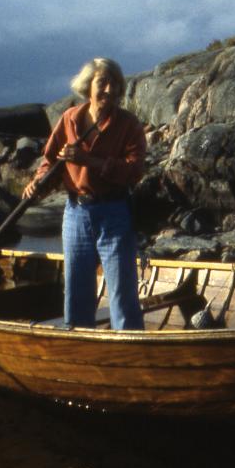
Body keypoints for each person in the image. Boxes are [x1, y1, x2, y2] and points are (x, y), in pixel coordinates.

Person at [23, 57, 147, 330]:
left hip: (114, 213)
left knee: (122, 295)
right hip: (76, 214)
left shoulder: (129, 125)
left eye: (115, 84)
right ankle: (80, 351)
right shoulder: (70, 119)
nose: (109, 90)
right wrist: (38, 184)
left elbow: (134, 171)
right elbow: (50, 163)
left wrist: (88, 160)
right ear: (88, 87)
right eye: (102, 83)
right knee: (77, 293)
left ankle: (129, 355)